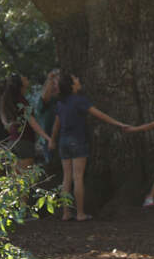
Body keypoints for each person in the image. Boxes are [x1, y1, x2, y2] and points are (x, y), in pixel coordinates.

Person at [50, 70, 128, 221]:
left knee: (66, 178)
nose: (78, 80)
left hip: (63, 142)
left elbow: (56, 125)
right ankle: (80, 213)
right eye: (76, 79)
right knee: (78, 177)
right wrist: (119, 123)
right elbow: (100, 115)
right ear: (72, 85)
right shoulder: (80, 100)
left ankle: (66, 213)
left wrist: (52, 140)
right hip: (77, 141)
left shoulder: (61, 103)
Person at [0, 72, 52, 172]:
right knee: (25, 178)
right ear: (21, 84)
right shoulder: (21, 101)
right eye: (25, 78)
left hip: (13, 141)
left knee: (16, 179)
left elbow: (5, 122)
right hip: (24, 142)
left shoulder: (8, 100)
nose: (27, 78)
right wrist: (47, 138)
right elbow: (32, 122)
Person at [34, 68, 59, 164]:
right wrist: (50, 79)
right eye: (54, 83)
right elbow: (45, 97)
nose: (56, 85)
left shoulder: (61, 100)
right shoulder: (45, 101)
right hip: (48, 142)